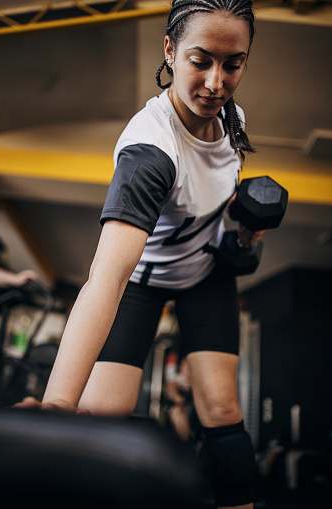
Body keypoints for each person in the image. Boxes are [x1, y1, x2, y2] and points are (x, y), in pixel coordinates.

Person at [15, 0, 269, 506]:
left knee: (222, 414)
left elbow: (209, 199)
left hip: (203, 272)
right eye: (201, 61)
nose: (216, 82)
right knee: (99, 419)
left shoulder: (232, 119)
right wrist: (59, 405)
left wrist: (242, 232)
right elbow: (107, 277)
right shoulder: (150, 153)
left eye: (233, 64)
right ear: (171, 52)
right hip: (142, 281)